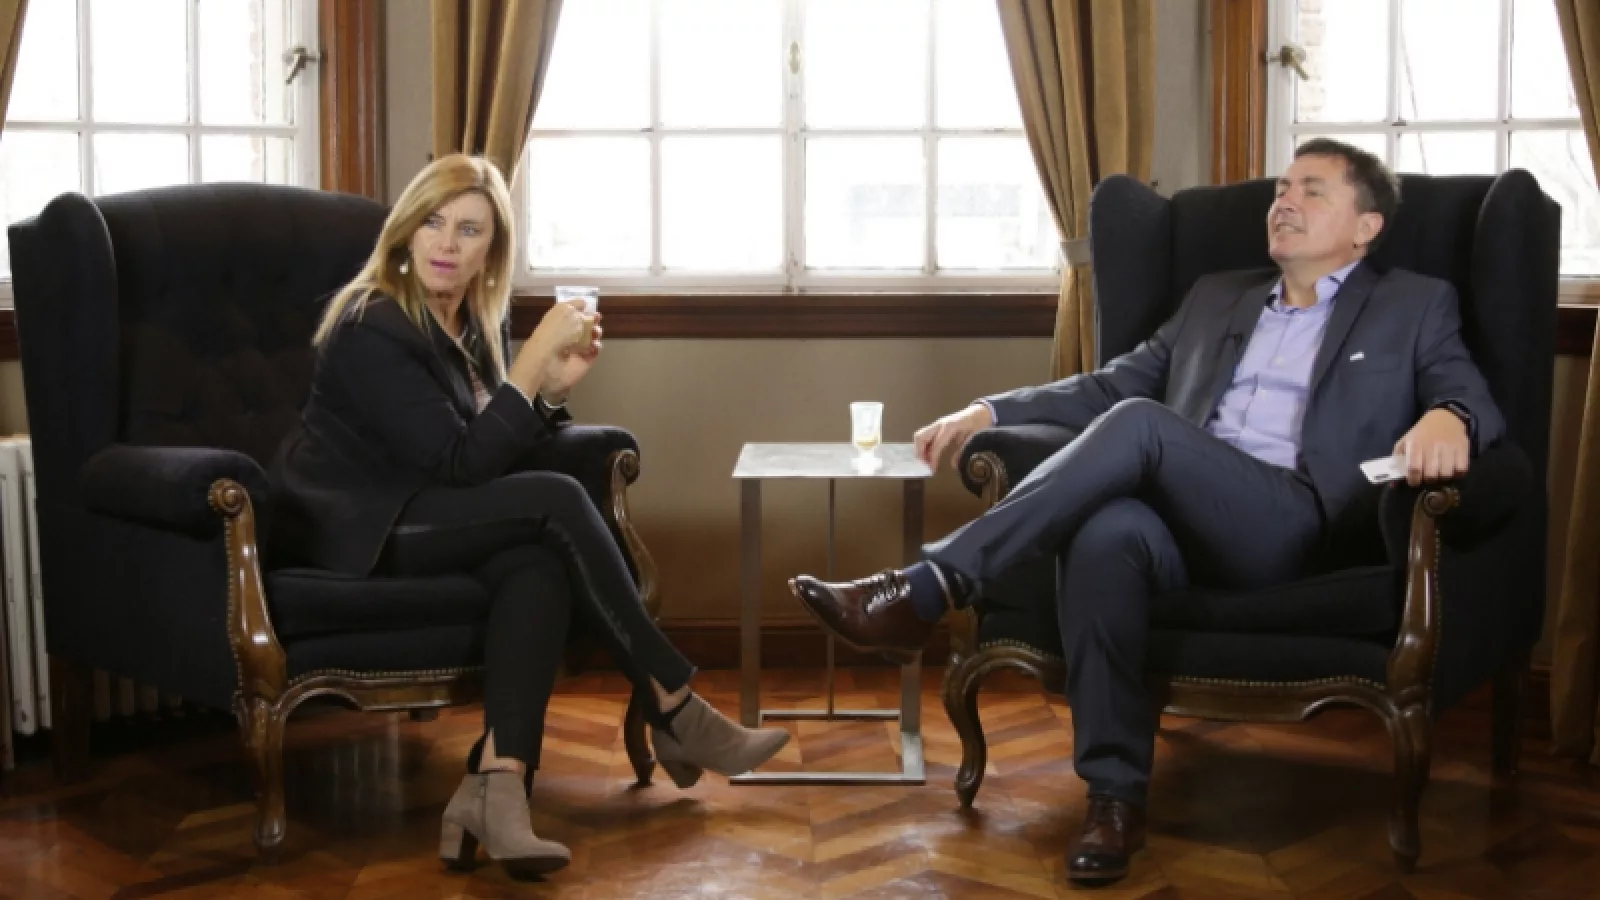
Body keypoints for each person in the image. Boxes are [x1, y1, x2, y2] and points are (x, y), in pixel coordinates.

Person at [789, 138, 1502, 886]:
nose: (1285, 202)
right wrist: (988, 410)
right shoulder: (1217, 297)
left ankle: (928, 587)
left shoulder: (1412, 304)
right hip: (1178, 523)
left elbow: (1472, 397)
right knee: (1106, 535)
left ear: (1365, 227)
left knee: (1141, 425)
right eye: (1281, 189)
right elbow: (1108, 386)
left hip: (1290, 524)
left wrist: (1449, 415)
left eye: (1313, 190)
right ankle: (1113, 801)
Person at [269, 154, 788, 880]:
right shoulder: (371, 325)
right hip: (361, 525)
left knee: (535, 563)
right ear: (407, 233)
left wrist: (548, 392)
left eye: (470, 229)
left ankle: (498, 785)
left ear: (492, 249)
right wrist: (530, 363)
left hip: (429, 508)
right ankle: (674, 704)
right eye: (433, 222)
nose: (447, 243)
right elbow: (460, 464)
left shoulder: (469, 324)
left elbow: (496, 454)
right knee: (555, 500)